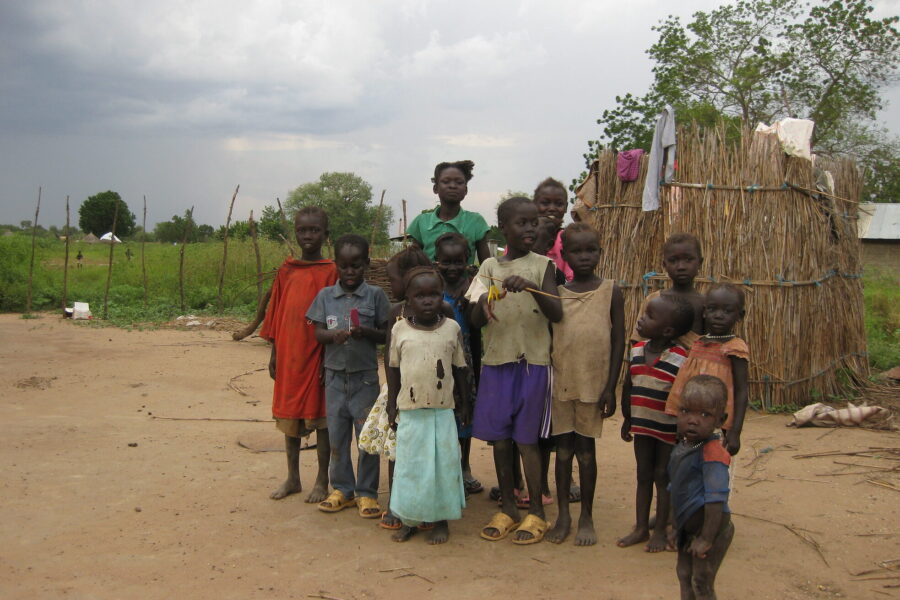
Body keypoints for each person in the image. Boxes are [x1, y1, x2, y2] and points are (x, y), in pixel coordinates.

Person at [468, 196, 562, 544]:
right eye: (521, 223)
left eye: (533, 222)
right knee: (501, 440)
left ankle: (536, 511)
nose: (530, 228)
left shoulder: (543, 266)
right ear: (503, 229)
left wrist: (533, 288)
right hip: (496, 362)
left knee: (528, 440)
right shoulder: (489, 268)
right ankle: (508, 507)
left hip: (533, 364)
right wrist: (485, 301)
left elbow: (556, 314)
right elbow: (475, 318)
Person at [546, 223, 625, 546]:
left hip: (594, 385)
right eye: (576, 251)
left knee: (587, 453)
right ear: (564, 255)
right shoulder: (557, 294)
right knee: (563, 453)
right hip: (561, 383)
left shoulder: (611, 290)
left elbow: (618, 339)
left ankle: (587, 516)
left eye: (590, 250)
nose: (584, 257)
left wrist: (611, 387)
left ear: (599, 252)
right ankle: (563, 514)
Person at [307, 234, 390, 518]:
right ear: (336, 265)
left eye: (356, 266)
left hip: (364, 379)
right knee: (337, 437)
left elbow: (386, 334)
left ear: (366, 263)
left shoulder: (375, 296)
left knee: (366, 438)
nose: (350, 272)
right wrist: (334, 336)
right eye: (344, 266)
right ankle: (342, 489)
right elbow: (317, 332)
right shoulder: (325, 297)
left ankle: (367, 493)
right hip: (334, 380)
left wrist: (365, 332)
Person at [386, 267, 471, 544]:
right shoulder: (399, 329)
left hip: (442, 411)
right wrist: (390, 405)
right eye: (419, 295)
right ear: (408, 299)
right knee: (410, 468)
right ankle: (409, 519)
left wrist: (464, 402)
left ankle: (440, 520)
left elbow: (460, 368)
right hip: (410, 412)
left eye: (434, 294)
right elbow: (393, 370)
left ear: (441, 296)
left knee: (442, 467)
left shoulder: (451, 329)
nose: (427, 301)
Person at [260, 207, 337, 502]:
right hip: (290, 354)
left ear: (325, 235)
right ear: (295, 232)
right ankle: (292, 477)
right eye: (303, 230)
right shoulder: (287, 270)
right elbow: (277, 313)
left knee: (322, 421)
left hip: (318, 353)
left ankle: (321, 481)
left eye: (314, 230)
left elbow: (335, 316)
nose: (308, 235)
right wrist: (274, 353)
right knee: (288, 418)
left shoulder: (332, 271)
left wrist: (329, 357)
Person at [363, 245, 434, 531]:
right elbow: (391, 360)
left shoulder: (441, 311)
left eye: (394, 280)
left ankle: (426, 505)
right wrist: (392, 401)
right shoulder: (396, 313)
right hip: (400, 393)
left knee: (425, 453)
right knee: (397, 451)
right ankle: (397, 503)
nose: (391, 286)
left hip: (431, 395)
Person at [618, 293, 695, 551]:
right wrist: (627, 419)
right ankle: (641, 527)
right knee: (642, 475)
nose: (641, 319)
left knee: (662, 477)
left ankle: (660, 530)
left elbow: (684, 397)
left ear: (668, 329)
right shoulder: (637, 350)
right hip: (642, 427)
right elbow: (629, 385)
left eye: (649, 316)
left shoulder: (680, 359)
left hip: (666, 430)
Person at [669, 375, 734, 600]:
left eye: (704, 414)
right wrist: (675, 525)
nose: (693, 420)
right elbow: (674, 489)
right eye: (686, 411)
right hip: (688, 528)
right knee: (684, 573)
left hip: (712, 530)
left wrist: (706, 538)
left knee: (702, 580)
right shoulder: (683, 447)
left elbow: (716, 501)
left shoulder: (713, 455)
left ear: (720, 419)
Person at [666, 283, 750, 457]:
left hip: (716, 424)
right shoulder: (697, 343)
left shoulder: (734, 348)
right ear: (704, 312)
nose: (718, 316)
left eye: (727, 311)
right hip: (690, 423)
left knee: (713, 465)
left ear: (740, 315)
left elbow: (741, 390)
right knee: (688, 465)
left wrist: (735, 431)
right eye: (712, 309)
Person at [434, 232, 482, 495]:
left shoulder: (473, 288)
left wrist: (478, 370)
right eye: (446, 262)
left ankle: (464, 466)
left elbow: (475, 333)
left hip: (465, 360)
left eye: (458, 262)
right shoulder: (431, 286)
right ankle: (444, 468)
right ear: (436, 261)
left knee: (465, 413)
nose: (452, 268)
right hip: (436, 360)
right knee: (440, 414)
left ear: (467, 260)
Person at [407, 160, 491, 264]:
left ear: (465, 190)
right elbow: (412, 260)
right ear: (435, 188)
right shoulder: (421, 221)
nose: (453, 186)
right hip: (427, 279)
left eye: (459, 182)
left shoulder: (476, 221)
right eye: (446, 181)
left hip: (465, 280)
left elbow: (486, 267)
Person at [631, 233, 706, 349]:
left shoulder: (705, 304)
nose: (681, 266)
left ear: (700, 263)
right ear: (664, 265)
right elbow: (638, 340)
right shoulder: (653, 300)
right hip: (655, 365)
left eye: (688, 259)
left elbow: (710, 344)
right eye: (673, 260)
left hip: (692, 365)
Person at [533, 177, 573, 282]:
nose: (552, 208)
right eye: (545, 203)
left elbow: (571, 282)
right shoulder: (520, 238)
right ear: (534, 205)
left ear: (566, 207)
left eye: (559, 204)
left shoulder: (569, 240)